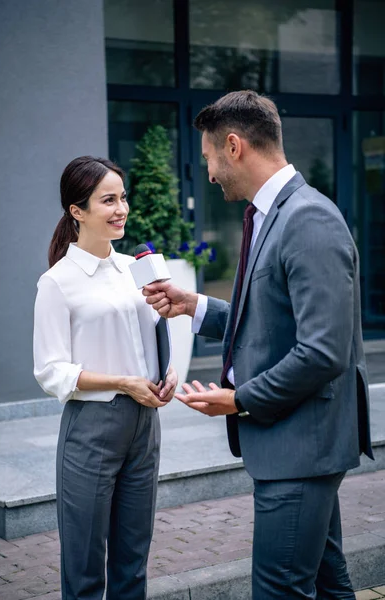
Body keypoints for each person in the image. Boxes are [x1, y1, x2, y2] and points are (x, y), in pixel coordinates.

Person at [143, 90, 373, 599]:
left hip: (301, 447)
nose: (208, 174)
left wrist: (238, 399)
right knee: (328, 586)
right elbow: (270, 323)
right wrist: (194, 305)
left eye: (207, 159)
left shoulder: (307, 218)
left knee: (278, 590)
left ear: (233, 146)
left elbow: (322, 352)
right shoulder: (273, 215)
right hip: (298, 447)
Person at [33, 156, 177, 600]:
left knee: (133, 561)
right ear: (77, 211)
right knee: (85, 566)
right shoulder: (57, 283)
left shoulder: (133, 269)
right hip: (92, 429)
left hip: (144, 423)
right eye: (108, 200)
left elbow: (150, 334)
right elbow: (51, 371)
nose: (122, 209)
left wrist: (166, 372)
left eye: (123, 197)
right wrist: (124, 382)